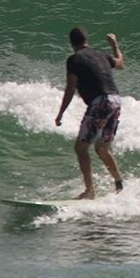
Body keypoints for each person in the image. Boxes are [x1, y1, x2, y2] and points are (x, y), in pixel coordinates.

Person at [54, 26, 125, 199]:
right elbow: (120, 64)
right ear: (87, 40)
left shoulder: (74, 59)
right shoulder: (101, 55)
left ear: (71, 43)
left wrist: (61, 112)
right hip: (116, 101)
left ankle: (89, 191)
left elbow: (71, 87)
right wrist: (115, 45)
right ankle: (119, 184)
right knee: (102, 148)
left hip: (100, 102)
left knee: (81, 148)